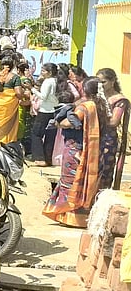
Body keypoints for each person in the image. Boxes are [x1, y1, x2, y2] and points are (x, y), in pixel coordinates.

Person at [43, 78, 110, 227]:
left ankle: (69, 216)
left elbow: (68, 123)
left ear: (84, 90)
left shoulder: (84, 107)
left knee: (70, 182)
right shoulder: (102, 107)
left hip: (76, 150)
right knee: (87, 183)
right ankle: (84, 217)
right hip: (95, 150)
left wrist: (58, 123)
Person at [97, 68, 127, 190]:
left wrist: (95, 118)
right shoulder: (97, 96)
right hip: (94, 136)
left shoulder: (119, 100)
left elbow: (114, 121)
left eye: (103, 82)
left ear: (112, 81)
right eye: (98, 82)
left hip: (107, 140)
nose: (100, 85)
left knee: (104, 170)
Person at [29, 63, 61, 166]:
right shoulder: (56, 81)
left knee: (36, 134)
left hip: (45, 110)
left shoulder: (48, 81)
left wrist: (32, 89)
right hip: (54, 110)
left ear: (50, 72)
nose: (42, 73)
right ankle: (48, 158)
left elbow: (43, 96)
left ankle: (39, 157)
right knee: (50, 135)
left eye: (44, 71)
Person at [0, 57, 24, 145]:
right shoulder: (15, 77)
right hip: (8, 107)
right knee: (8, 127)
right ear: (12, 66)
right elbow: (18, 93)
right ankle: (5, 145)